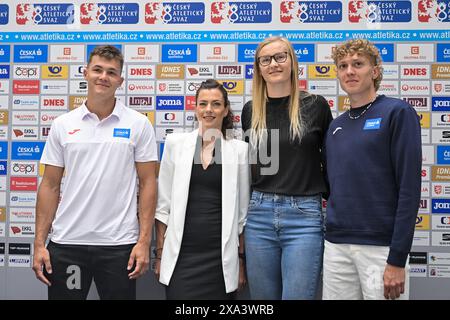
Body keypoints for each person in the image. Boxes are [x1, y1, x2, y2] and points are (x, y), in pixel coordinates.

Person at [32, 45, 158, 300]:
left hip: (119, 246)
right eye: (97, 70)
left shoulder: (138, 124)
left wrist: (144, 242)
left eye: (111, 72)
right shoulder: (63, 125)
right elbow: (50, 186)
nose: (103, 77)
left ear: (120, 80)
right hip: (68, 244)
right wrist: (38, 243)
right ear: (85, 73)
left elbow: (148, 183)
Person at [323, 39, 421, 300]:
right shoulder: (336, 126)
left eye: (358, 64)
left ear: (375, 71)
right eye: (342, 66)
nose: (349, 71)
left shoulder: (397, 112)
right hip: (336, 246)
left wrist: (398, 258)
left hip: (382, 249)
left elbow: (409, 191)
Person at [241, 36, 333, 300]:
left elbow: (332, 162)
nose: (273, 64)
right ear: (258, 68)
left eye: (281, 57)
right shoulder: (251, 110)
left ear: (293, 62)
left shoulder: (315, 105)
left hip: (304, 217)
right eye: (265, 60)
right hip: (258, 216)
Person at [154, 79, 250, 300]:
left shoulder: (240, 151)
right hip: (180, 257)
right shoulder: (175, 144)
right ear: (195, 107)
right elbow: (163, 208)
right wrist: (159, 255)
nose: (209, 110)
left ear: (225, 110)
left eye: (216, 104)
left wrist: (241, 262)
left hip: (221, 259)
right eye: (203, 103)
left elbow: (242, 216)